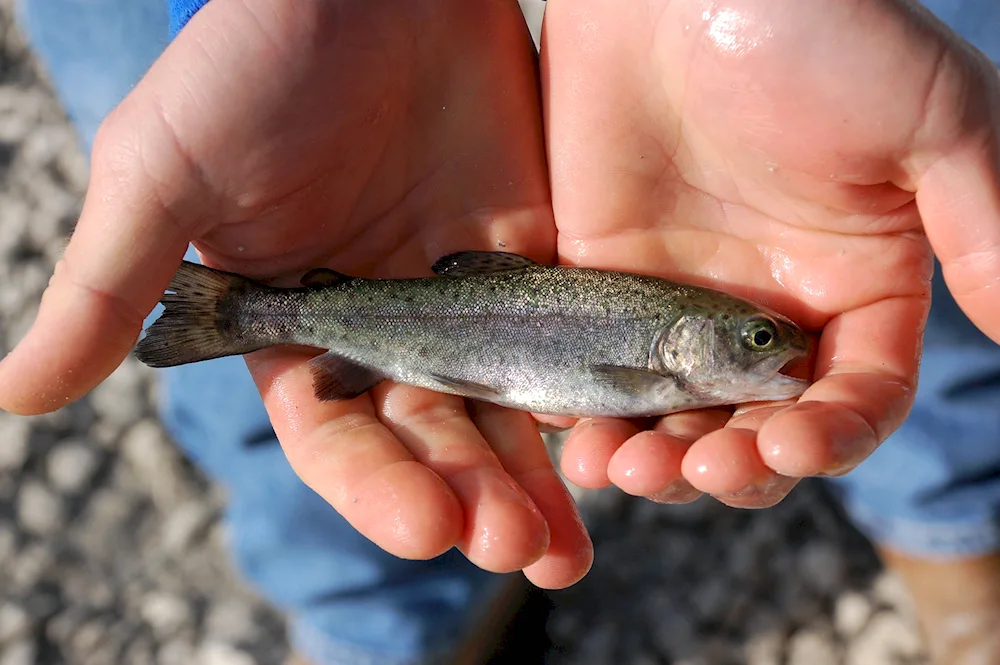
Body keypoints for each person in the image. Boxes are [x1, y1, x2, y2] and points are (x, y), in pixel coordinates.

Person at [5, 0, 1000, 663]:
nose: (769, 349)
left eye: (754, 342)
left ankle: (948, 512)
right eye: (747, 341)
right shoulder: (650, 357)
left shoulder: (679, 345)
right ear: (687, 340)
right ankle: (385, 620)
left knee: (878, 237)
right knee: (318, 434)